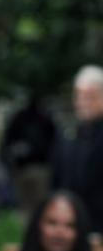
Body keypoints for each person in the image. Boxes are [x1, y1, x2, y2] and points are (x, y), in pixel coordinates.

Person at [53, 65, 103, 235]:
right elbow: (57, 180)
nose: (82, 102)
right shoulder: (69, 134)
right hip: (72, 227)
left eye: (89, 96)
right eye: (79, 95)